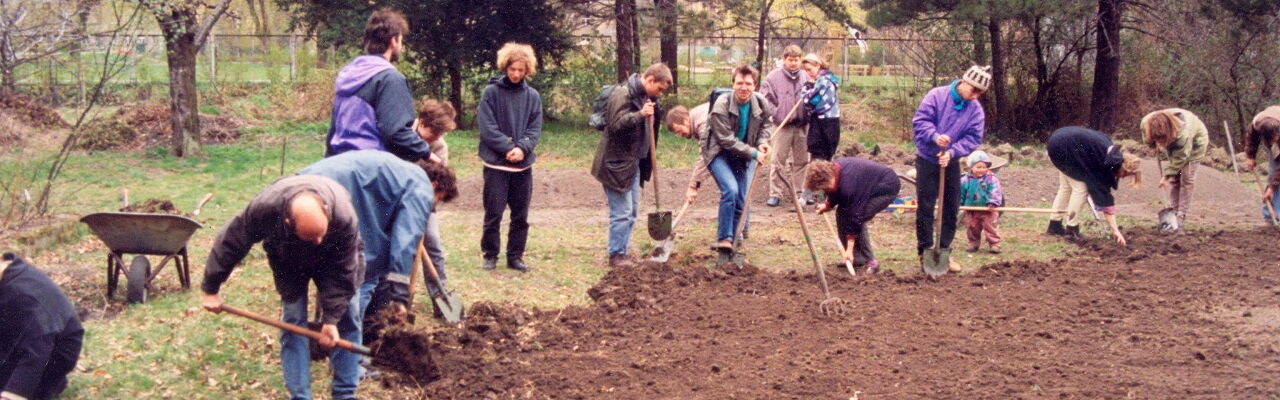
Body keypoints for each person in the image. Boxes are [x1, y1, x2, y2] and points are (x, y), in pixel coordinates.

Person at [201, 175, 364, 400]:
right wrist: (211, 288)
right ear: (288, 221)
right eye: (310, 235)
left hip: (335, 259)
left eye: (320, 233)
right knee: (293, 319)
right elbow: (232, 241)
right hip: (289, 260)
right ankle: (299, 395)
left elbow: (344, 271)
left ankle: (345, 394)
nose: (317, 240)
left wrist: (331, 320)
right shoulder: (265, 209)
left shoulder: (343, 215)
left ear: (326, 210)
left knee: (348, 316)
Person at [296, 151, 433, 345]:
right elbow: (404, 243)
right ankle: (349, 353)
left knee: (339, 266)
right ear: (436, 187)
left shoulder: (400, 174)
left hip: (305, 185)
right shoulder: (422, 188)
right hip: (331, 192)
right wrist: (400, 297)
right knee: (364, 275)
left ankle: (330, 333)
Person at [593, 63, 673, 267]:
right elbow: (615, 124)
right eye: (660, 89)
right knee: (622, 212)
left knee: (633, 211)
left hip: (633, 162)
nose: (660, 94)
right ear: (650, 80)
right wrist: (641, 115)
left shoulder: (647, 98)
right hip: (615, 163)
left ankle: (623, 251)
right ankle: (616, 255)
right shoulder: (623, 94)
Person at [324, 9, 431, 162]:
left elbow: (333, 132)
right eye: (401, 40)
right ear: (394, 41)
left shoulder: (349, 75)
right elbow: (396, 134)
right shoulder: (389, 78)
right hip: (371, 168)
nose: (401, 46)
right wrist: (427, 153)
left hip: (340, 163)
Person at [912, 65, 990, 271]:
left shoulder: (975, 110)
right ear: (964, 82)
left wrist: (952, 152)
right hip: (927, 159)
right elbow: (920, 122)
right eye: (973, 90)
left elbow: (973, 137)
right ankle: (925, 251)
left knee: (950, 207)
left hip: (950, 161)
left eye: (979, 94)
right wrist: (935, 137)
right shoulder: (936, 96)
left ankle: (944, 252)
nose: (975, 96)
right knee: (926, 207)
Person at [477, 42, 543, 273]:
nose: (516, 74)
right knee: (493, 213)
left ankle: (515, 256)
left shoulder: (533, 96)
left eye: (521, 70)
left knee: (520, 215)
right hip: (496, 164)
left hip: (522, 166)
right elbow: (487, 127)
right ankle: (490, 255)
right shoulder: (490, 93)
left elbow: (534, 128)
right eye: (512, 69)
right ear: (505, 67)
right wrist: (507, 148)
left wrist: (522, 149)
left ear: (527, 71)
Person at [706, 64, 774, 250]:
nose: (744, 88)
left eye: (748, 84)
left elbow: (767, 122)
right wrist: (754, 153)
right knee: (731, 190)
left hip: (741, 157)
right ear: (733, 84)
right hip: (719, 154)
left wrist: (762, 142)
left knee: (742, 198)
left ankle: (735, 237)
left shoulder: (760, 102)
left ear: (755, 85)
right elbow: (726, 140)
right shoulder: (721, 104)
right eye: (739, 83)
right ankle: (725, 238)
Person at [0, 253, 82, 400]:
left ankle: (45, 385)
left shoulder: (24, 294)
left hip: (52, 353)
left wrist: (12, 394)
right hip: (17, 344)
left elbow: (37, 348)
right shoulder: (7, 276)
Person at [1045, 126, 1142, 245]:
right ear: (1123, 169)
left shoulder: (1110, 153)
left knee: (1066, 187)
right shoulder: (1105, 165)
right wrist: (1115, 230)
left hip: (1058, 140)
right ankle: (1072, 229)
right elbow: (1105, 201)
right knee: (1081, 188)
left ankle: (1054, 225)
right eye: (1124, 175)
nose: (1121, 178)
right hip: (1064, 147)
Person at [806, 158, 900, 274]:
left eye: (824, 188)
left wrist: (849, 249)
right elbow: (835, 190)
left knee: (860, 216)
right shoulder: (834, 171)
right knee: (841, 212)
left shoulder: (848, 185)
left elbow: (856, 216)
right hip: (865, 184)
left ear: (828, 179)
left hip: (886, 186)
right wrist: (828, 204)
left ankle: (870, 261)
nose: (825, 191)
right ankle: (855, 258)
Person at [414, 99, 457, 292]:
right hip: (392, 201)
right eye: (435, 132)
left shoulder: (439, 146)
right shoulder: (399, 133)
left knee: (434, 247)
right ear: (422, 122)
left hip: (424, 202)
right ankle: (392, 300)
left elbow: (439, 182)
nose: (437, 137)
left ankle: (440, 298)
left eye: (441, 133)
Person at [1140, 108, 1208, 230]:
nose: (1160, 143)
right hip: (1174, 142)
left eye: (1162, 139)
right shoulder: (1146, 122)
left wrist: (1166, 176)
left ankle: (1181, 214)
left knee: (1186, 178)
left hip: (1195, 145)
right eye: (1158, 140)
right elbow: (1146, 136)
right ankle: (1174, 212)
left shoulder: (1183, 133)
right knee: (1175, 180)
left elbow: (1180, 158)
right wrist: (1152, 145)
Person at [760, 45, 810, 208]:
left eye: (796, 60)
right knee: (778, 160)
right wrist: (777, 114)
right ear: (784, 59)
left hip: (802, 125)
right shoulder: (773, 77)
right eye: (790, 60)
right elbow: (764, 99)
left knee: (802, 160)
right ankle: (775, 193)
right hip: (782, 126)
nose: (794, 63)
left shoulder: (806, 76)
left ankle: (799, 192)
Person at [664, 102, 712, 203]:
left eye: (678, 131)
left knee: (732, 192)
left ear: (685, 120)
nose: (679, 135)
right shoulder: (696, 116)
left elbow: (705, 154)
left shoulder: (702, 122)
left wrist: (693, 186)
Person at [959, 150, 1004, 253]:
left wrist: (993, 202)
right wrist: (959, 202)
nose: (982, 170)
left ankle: (994, 244)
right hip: (972, 209)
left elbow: (995, 191)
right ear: (971, 167)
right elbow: (961, 192)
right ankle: (973, 243)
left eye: (984, 167)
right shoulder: (965, 180)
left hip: (988, 209)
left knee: (990, 227)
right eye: (978, 167)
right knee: (972, 227)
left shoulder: (991, 179)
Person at [800, 52, 842, 161]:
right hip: (831, 123)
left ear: (818, 65)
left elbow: (807, 101)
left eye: (809, 69)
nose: (808, 73)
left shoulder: (823, 81)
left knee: (818, 159)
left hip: (823, 125)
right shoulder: (830, 79)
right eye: (806, 70)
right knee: (827, 158)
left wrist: (807, 86)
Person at [1245, 105, 1280, 222]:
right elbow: (1251, 139)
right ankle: (1270, 215)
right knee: (1273, 174)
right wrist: (1250, 156)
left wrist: (1272, 188)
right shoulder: (1257, 124)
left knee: (1276, 179)